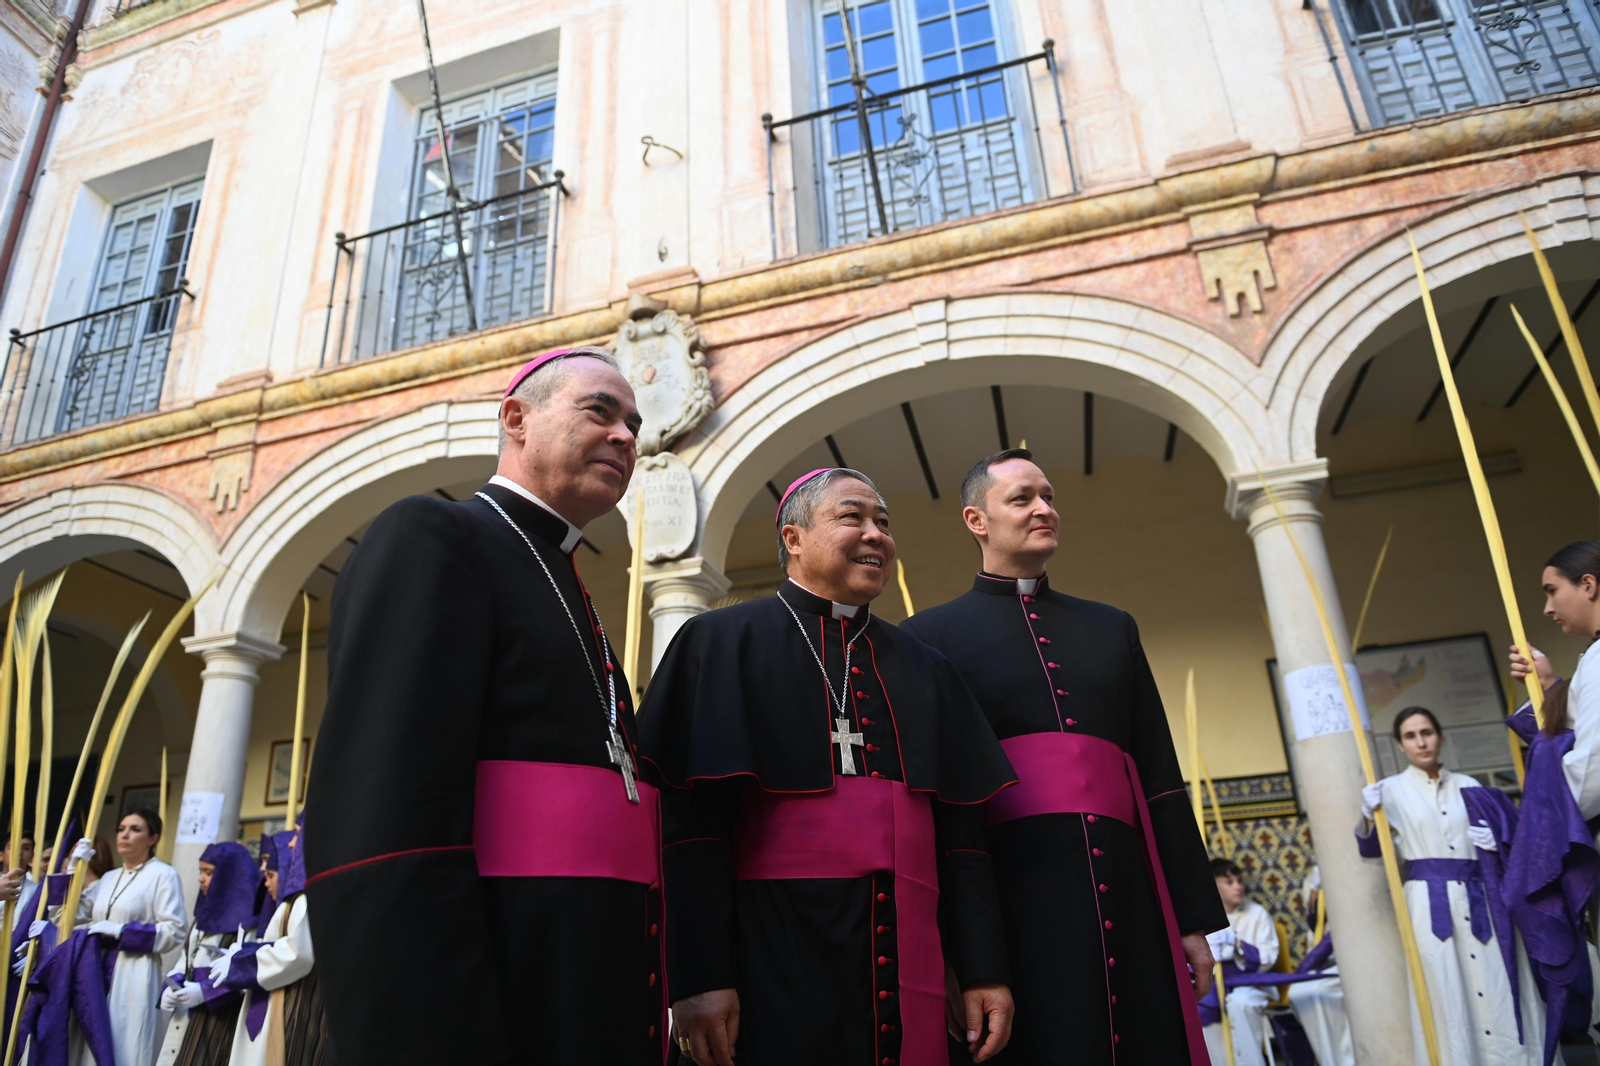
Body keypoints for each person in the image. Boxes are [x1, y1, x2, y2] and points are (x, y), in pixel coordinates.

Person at [304, 347, 665, 1065]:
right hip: (498, 995)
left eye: (634, 421)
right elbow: (384, 830)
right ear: (516, 419)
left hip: (591, 989)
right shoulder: (435, 536)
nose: (627, 435)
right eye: (600, 410)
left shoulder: (566, 580)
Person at [638, 467, 1017, 1066]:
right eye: (853, 517)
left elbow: (961, 841)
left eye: (884, 523)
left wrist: (981, 969)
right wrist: (699, 977)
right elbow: (692, 830)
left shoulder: (927, 668)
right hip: (770, 954)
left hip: (904, 950)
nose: (876, 535)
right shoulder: (719, 643)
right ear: (793, 538)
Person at [896, 449, 1223, 1063]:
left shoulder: (1112, 628)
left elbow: (1158, 776)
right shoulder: (927, 640)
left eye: (1048, 495)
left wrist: (1190, 917)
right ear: (977, 521)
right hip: (1010, 890)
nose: (1044, 508)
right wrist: (967, 955)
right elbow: (938, 805)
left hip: (1129, 890)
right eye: (1022, 499)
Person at [1357, 706, 1547, 1065]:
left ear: (1440, 736)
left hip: (1482, 899)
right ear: (1399, 745)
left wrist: (1497, 842)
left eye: (1427, 732)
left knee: (1499, 984)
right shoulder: (1389, 791)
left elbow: (1513, 842)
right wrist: (1367, 815)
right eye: (1411, 736)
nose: (1421, 742)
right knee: (1444, 988)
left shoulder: (1470, 787)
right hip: (1428, 906)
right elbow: (1370, 850)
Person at [75, 810, 187, 1066]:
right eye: (121, 828)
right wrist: (73, 871)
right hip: (96, 970)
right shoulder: (108, 878)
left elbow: (176, 929)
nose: (124, 834)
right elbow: (68, 916)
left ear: (152, 838)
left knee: (126, 1045)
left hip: (133, 972)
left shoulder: (163, 874)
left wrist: (123, 933)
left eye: (135, 829)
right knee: (88, 1047)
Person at [213, 829, 323, 1066]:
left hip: (288, 1010)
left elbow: (297, 953)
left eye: (271, 870)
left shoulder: (301, 902)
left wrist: (241, 963)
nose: (263, 872)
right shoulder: (285, 905)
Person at [158, 841, 257, 1066]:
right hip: (185, 1016)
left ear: (229, 876)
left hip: (220, 1021)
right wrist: (171, 986)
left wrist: (205, 992)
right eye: (201, 871)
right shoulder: (202, 919)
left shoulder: (249, 924)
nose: (200, 879)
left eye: (209, 872)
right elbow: (185, 961)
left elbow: (249, 976)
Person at [1199, 859, 1280, 1066]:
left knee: (1240, 1003)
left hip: (1251, 982)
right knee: (1201, 1007)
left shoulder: (1256, 913)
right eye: (1229, 882)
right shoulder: (1202, 919)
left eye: (1239, 880)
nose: (1238, 886)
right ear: (1213, 886)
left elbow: (1269, 956)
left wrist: (1238, 946)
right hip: (1217, 984)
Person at [1285, 867, 1354, 1066]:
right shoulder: (1315, 878)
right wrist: (1315, 889)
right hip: (1332, 960)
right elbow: (1315, 921)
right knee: (1300, 993)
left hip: (1360, 958)